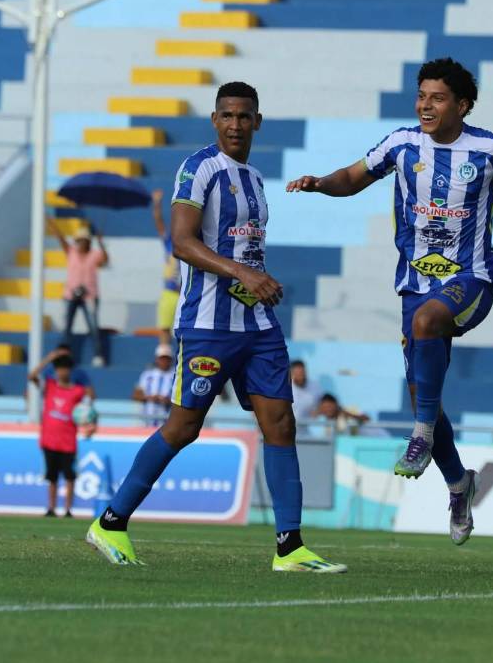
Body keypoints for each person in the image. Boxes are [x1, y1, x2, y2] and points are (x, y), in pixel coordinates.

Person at [286, 57, 493, 545]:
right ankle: (458, 483)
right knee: (422, 393)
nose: (426, 105)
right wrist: (320, 183)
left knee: (428, 341)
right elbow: (353, 176)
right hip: (413, 283)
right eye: (422, 95)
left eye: (438, 97)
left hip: (471, 280)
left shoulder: (490, 148)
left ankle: (421, 435)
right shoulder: (402, 144)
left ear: (462, 105)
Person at [86, 81, 345, 572]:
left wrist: (258, 280)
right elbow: (182, 243)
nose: (235, 124)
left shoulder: (253, 177)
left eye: (244, 116)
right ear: (214, 120)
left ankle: (289, 547)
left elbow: (246, 247)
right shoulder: (199, 168)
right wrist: (244, 273)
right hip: (208, 324)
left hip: (257, 324)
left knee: (281, 424)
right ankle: (111, 522)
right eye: (226, 115)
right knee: (183, 428)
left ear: (257, 122)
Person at [30, 352, 94, 518]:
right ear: (56, 370)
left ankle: (68, 509)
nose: (62, 372)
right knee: (51, 477)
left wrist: (91, 424)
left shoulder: (78, 391)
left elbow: (91, 404)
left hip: (68, 441)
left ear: (70, 370)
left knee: (69, 477)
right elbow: (32, 376)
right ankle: (51, 508)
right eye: (59, 369)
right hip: (49, 440)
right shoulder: (50, 386)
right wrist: (50, 358)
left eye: (65, 369)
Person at [49, 215, 108, 367]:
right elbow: (61, 239)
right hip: (70, 294)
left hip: (89, 295)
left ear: (88, 241)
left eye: (84, 240)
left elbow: (105, 261)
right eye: (79, 240)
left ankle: (98, 355)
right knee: (67, 327)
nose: (81, 243)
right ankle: (64, 355)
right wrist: (53, 225)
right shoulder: (71, 252)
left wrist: (101, 244)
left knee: (93, 327)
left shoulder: (95, 254)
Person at [150, 188, 181, 348]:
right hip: (169, 292)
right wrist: (156, 203)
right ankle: (165, 356)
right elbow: (159, 222)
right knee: (164, 328)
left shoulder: (193, 244)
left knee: (185, 330)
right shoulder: (169, 242)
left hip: (184, 294)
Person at [133, 344, 174, 427]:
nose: (164, 361)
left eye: (167, 358)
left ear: (171, 360)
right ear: (157, 359)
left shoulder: (176, 376)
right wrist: (150, 398)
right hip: (147, 422)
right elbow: (136, 396)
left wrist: (169, 401)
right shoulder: (147, 375)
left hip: (168, 424)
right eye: (162, 358)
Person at [289, 359, 322, 425]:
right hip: (291, 427)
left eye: (302, 373)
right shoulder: (286, 388)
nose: (301, 376)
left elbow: (322, 404)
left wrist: (318, 411)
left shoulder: (315, 386)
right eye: (298, 374)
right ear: (292, 374)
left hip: (310, 427)